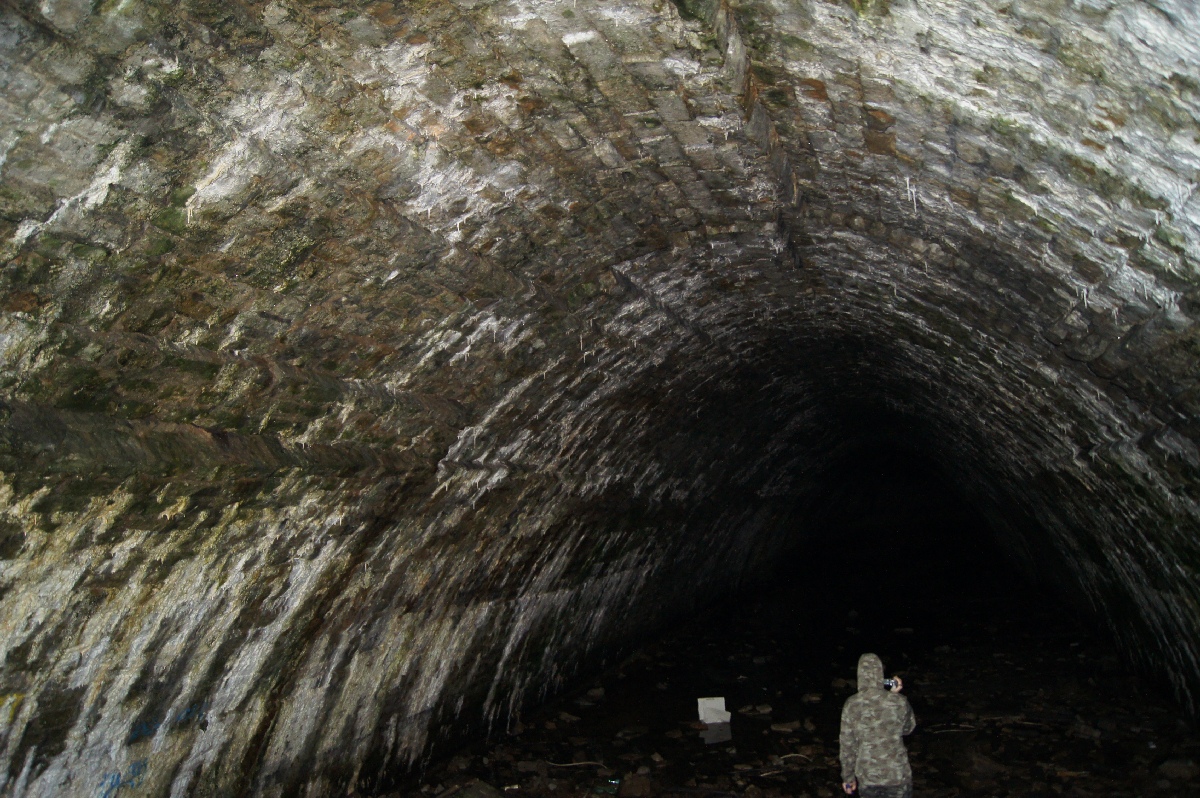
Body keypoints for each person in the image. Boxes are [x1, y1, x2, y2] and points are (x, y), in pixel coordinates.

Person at [838, 653, 916, 797]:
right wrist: (894, 694)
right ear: (880, 673)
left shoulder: (852, 704)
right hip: (897, 775)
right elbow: (908, 729)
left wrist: (848, 778)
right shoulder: (898, 701)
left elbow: (847, 745)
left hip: (868, 777)